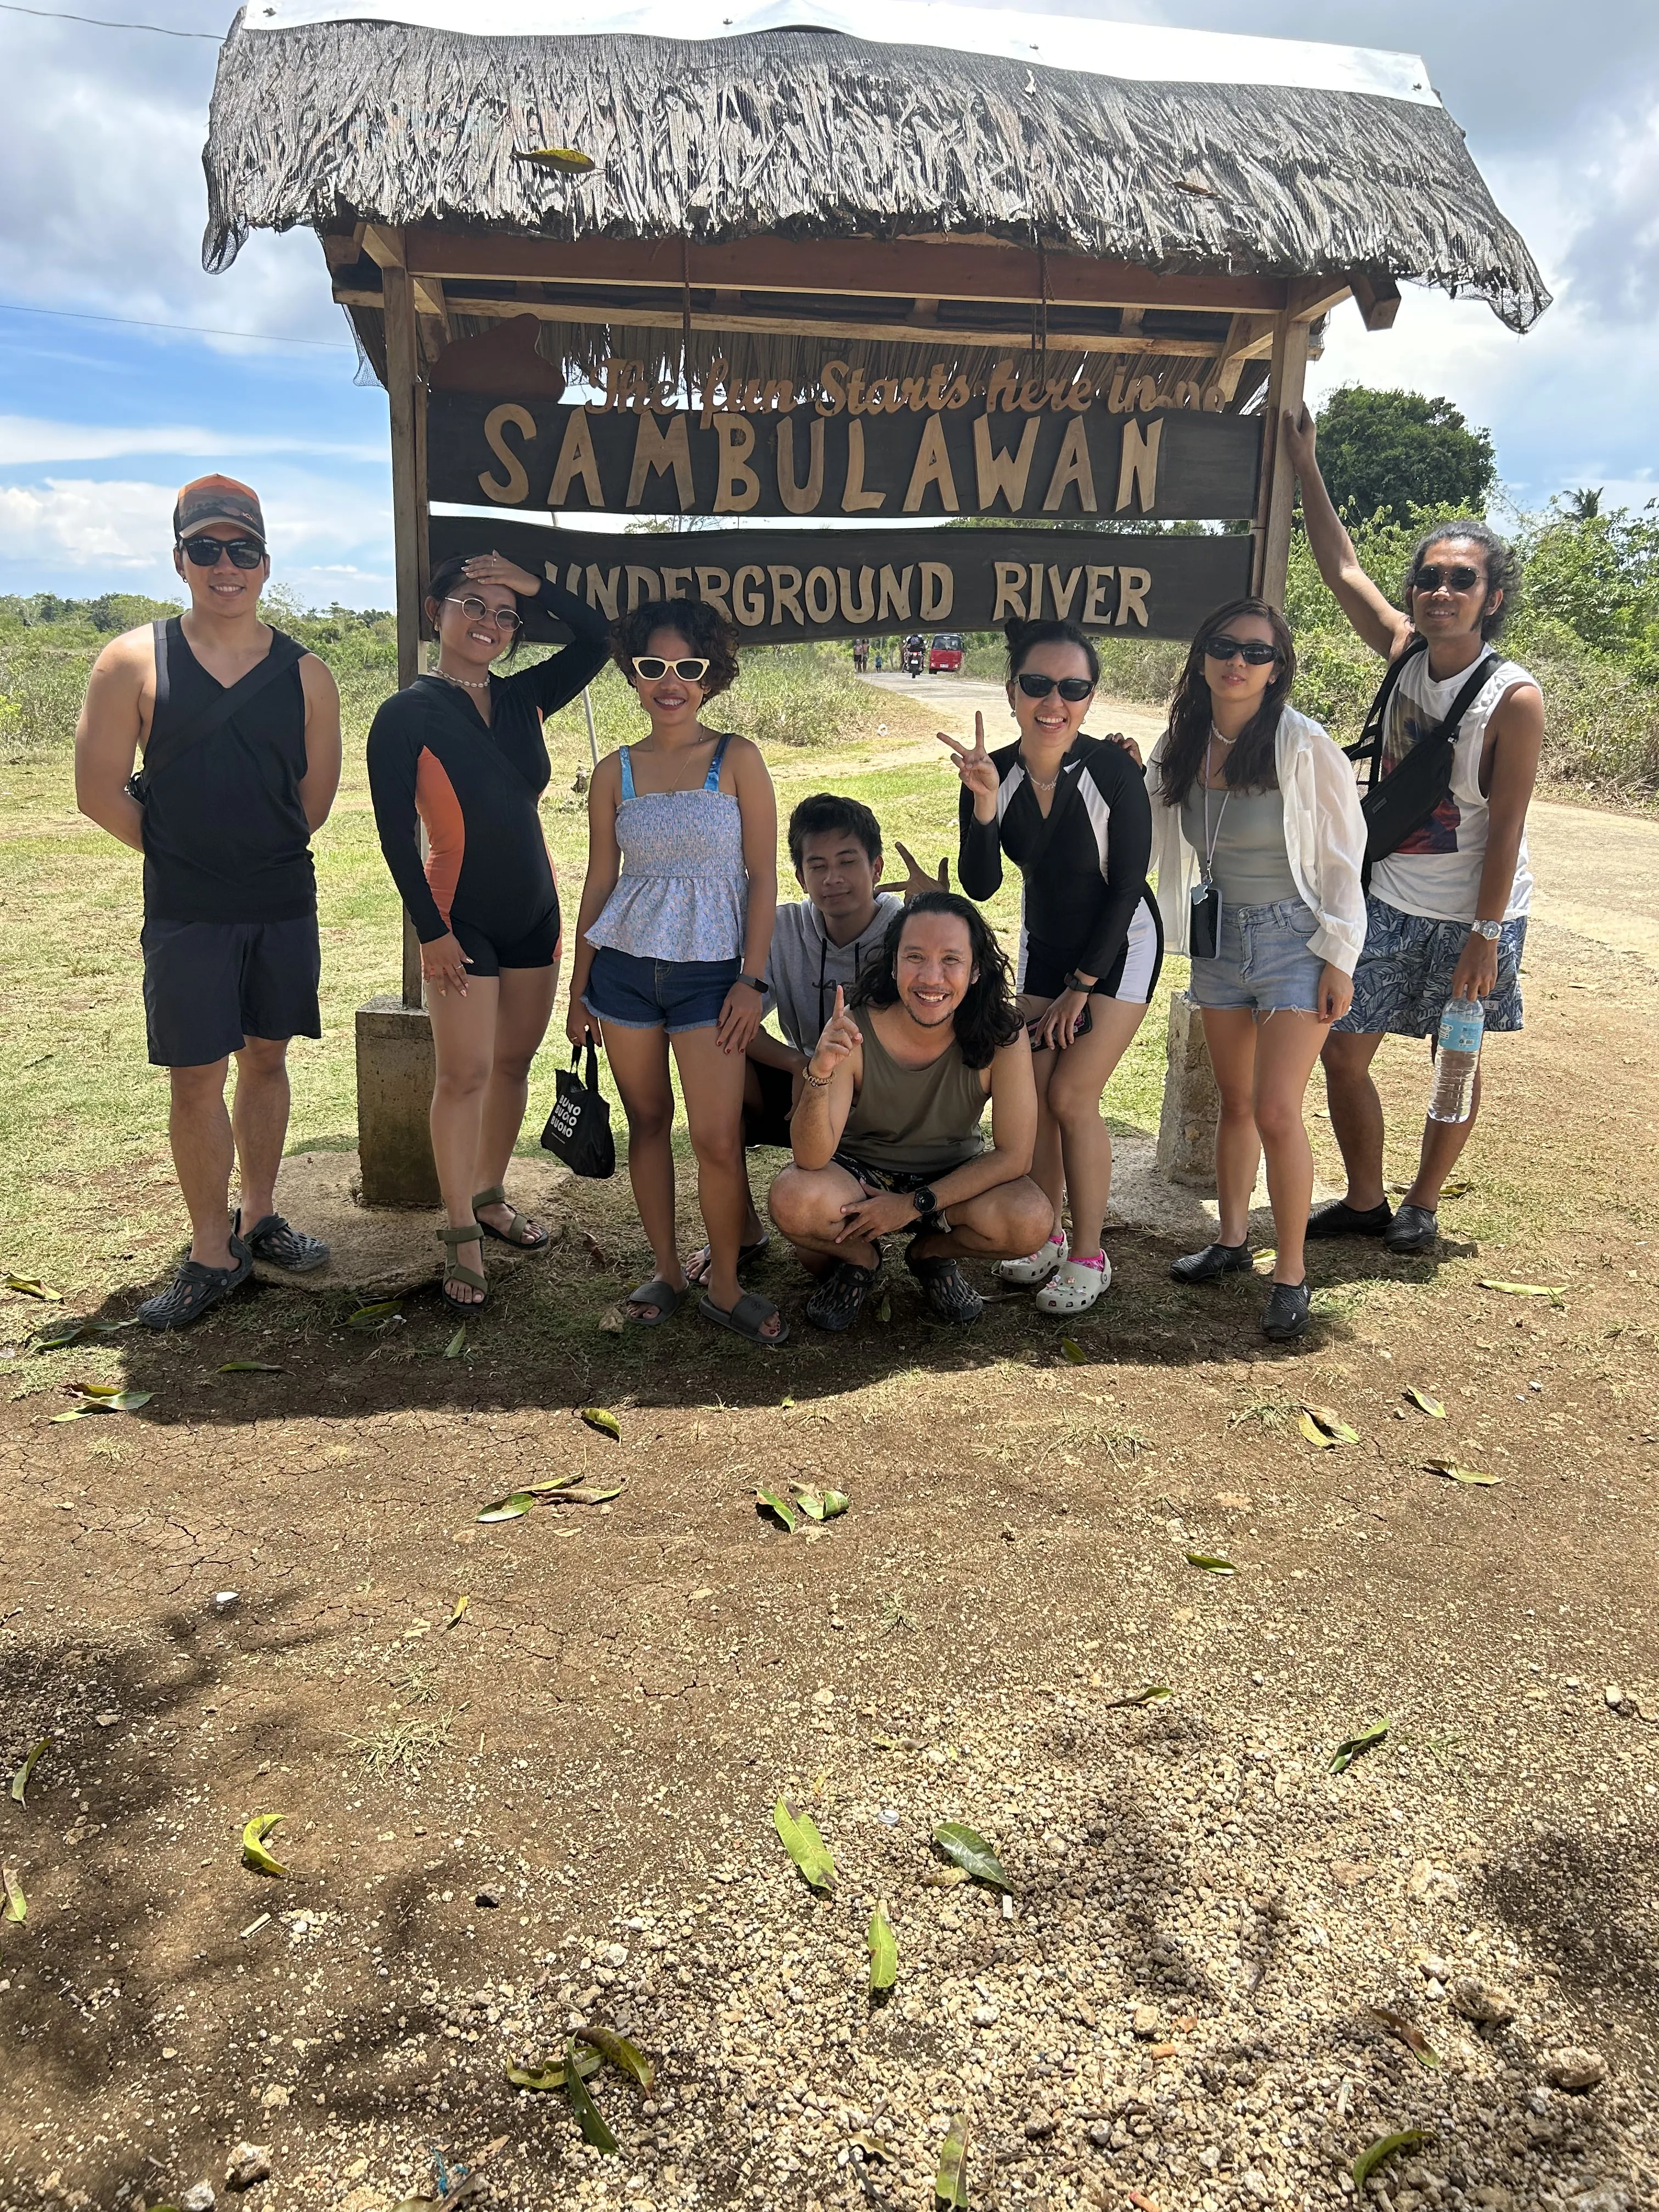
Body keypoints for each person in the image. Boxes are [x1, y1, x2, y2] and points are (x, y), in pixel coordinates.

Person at [74, 476, 341, 1329]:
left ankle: (259, 1216)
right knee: (196, 1077)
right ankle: (207, 1249)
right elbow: (98, 790)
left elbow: (313, 801)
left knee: (268, 1057)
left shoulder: (309, 674)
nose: (227, 567)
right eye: (207, 550)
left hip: (279, 901)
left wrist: (245, 856)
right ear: (180, 559)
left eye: (243, 551)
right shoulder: (131, 662)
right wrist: (188, 857)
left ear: (266, 563)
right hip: (185, 909)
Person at [1283, 404, 1544, 1255]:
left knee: (1454, 1057)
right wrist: (1306, 463)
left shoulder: (1514, 699)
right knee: (1344, 1053)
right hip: (1389, 893)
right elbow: (1341, 565)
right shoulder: (1401, 651)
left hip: (1476, 908)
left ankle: (1422, 1205)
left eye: (1461, 581)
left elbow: (1505, 829)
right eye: (1429, 578)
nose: (1440, 592)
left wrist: (1485, 933)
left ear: (1491, 597)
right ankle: (1365, 1198)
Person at [366, 550, 611, 1312]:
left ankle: (492, 1196)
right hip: (458, 915)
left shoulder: (524, 698)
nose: (490, 623)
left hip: (536, 909)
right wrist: (429, 931)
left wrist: (535, 583)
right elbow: (393, 836)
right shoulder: (405, 714)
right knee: (464, 1074)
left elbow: (599, 637)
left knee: (512, 1065)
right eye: (472, 605)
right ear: (436, 611)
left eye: (506, 614)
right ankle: (459, 1230)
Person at [565, 597, 785, 1345]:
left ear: (709, 676)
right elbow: (601, 881)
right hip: (623, 976)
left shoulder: (739, 760)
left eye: (687, 668)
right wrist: (579, 985)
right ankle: (664, 1269)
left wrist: (752, 982)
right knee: (649, 1125)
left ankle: (723, 1283)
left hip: (712, 981)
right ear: (633, 672)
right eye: (653, 666)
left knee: (719, 1140)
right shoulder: (613, 772)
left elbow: (763, 878)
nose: (670, 682)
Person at [1146, 598, 1367, 1341]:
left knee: (1276, 1109)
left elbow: (1342, 856)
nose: (1238, 662)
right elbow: (1146, 828)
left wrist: (1340, 955)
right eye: (1224, 646)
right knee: (1235, 1103)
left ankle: (1293, 1272)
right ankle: (1233, 1240)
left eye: (1257, 652)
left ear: (1277, 671)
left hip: (1291, 939)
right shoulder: (1182, 741)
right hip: (1218, 938)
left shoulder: (1301, 745)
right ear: (1202, 656)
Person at [945, 616, 1161, 1315]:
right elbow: (981, 885)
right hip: (1045, 946)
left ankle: (1091, 1255)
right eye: (1037, 683)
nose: (1054, 701)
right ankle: (1042, 1234)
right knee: (1033, 1097)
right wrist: (982, 804)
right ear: (1011, 690)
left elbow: (1126, 886)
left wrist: (1081, 989)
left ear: (1091, 697)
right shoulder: (993, 770)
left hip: (1119, 945)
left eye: (1073, 687)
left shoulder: (1112, 771)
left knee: (1072, 1097)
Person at [767, 892, 1052, 1329]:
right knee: (793, 1200)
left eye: (951, 959)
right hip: (859, 1177)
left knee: (1032, 1220)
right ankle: (863, 1259)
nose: (931, 978)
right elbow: (811, 1159)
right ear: (894, 963)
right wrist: (819, 1071)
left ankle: (930, 1255)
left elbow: (1015, 1156)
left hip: (951, 1180)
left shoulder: (1002, 1035)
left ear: (976, 970)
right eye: (915, 957)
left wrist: (912, 1205)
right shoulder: (856, 1026)